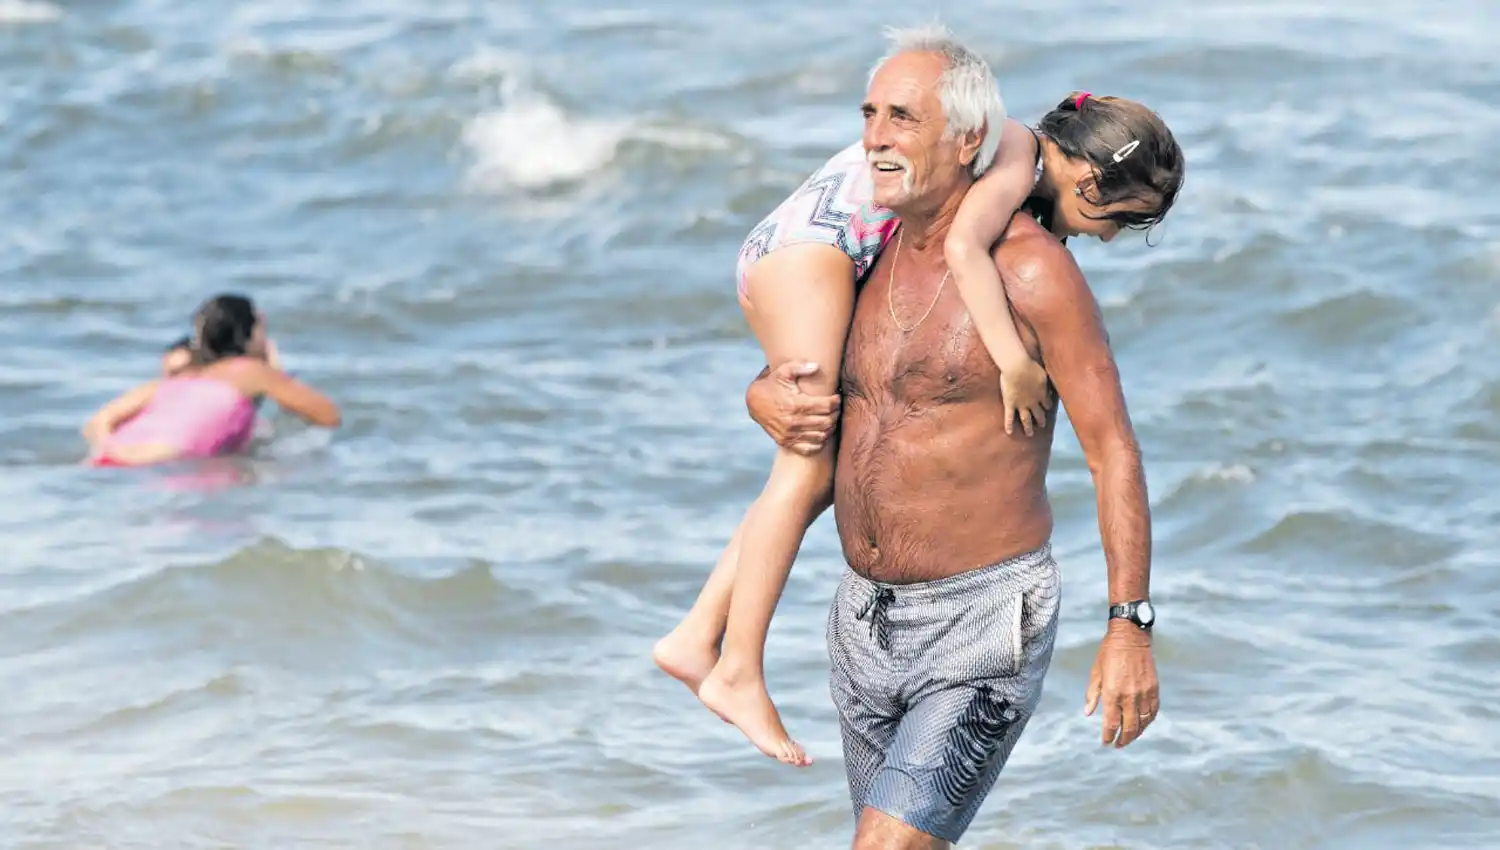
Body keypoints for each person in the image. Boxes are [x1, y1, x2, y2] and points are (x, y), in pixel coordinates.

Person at [743, 26, 1184, 847]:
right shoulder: (868, 254)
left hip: (980, 622)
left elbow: (1112, 449)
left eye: (902, 119)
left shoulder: (1033, 272)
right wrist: (764, 393)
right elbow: (814, 386)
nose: (875, 138)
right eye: (870, 115)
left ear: (965, 141)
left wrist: (1130, 625)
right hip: (863, 623)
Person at [653, 31, 1057, 769]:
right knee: (804, 471)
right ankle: (737, 669)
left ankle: (696, 634)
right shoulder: (1019, 149)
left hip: (794, 250)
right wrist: (1014, 364)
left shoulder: (981, 146)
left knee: (809, 475)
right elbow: (966, 248)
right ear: (1085, 173)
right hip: (812, 252)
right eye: (1122, 217)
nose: (1108, 235)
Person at [84, 294, 341, 467]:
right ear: (249, 334)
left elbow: (97, 422)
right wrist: (276, 371)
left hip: (112, 459)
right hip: (161, 463)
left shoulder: (176, 381)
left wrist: (116, 452)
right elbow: (328, 416)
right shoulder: (252, 373)